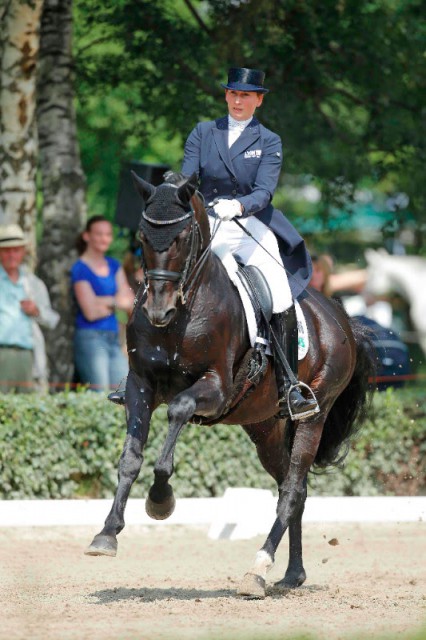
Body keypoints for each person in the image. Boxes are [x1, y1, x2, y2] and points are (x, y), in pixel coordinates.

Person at [179, 66, 317, 418]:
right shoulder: (203, 132)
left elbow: (265, 191)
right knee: (168, 272)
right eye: (233, 94)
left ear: (258, 100)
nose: (238, 100)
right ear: (226, 96)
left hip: (250, 223)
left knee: (280, 293)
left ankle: (289, 388)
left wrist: (238, 205)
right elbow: (187, 176)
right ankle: (141, 369)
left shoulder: (268, 141)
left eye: (246, 95)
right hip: (208, 221)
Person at [71, 216, 134, 392]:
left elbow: (129, 301)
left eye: (108, 234)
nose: (104, 238)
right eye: (99, 234)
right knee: (100, 393)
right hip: (90, 337)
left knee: (124, 391)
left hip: (114, 337)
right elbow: (90, 312)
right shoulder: (80, 268)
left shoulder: (114, 265)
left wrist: (102, 301)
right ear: (86, 236)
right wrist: (115, 301)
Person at [0, 224, 59, 393]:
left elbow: (52, 319)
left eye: (16, 250)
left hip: (27, 355)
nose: (11, 255)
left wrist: (36, 310)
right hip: (1, 352)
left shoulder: (33, 284)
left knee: (26, 407)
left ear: (23, 252)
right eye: (6, 250)